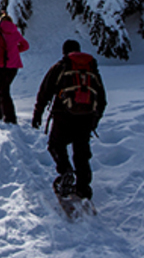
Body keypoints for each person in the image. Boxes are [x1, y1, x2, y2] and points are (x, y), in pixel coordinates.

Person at [32, 39, 107, 200]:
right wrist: (95, 119)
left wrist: (37, 114)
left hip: (62, 115)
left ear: (64, 51)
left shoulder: (60, 67)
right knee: (82, 152)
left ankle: (65, 171)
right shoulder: (91, 70)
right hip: (86, 118)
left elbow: (44, 92)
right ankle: (83, 187)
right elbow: (102, 99)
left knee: (55, 145)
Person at [0, 14, 29, 124]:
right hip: (13, 66)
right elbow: (25, 45)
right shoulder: (15, 32)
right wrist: (14, 51)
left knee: (4, 91)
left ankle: (10, 118)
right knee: (4, 89)